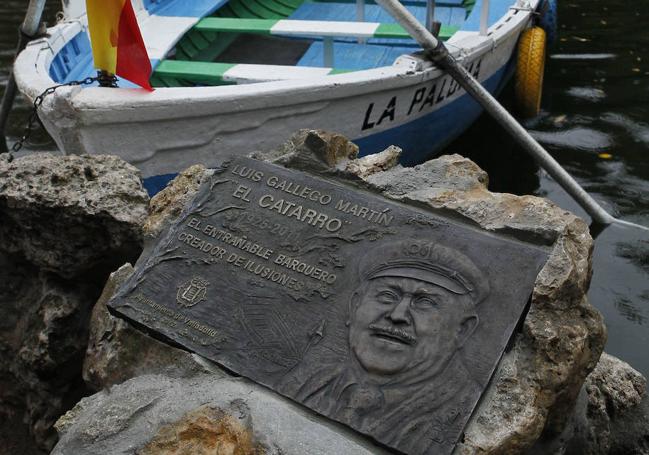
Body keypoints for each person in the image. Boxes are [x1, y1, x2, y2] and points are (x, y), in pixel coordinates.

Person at [280, 240, 490, 453]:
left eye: (425, 302)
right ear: (354, 306)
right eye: (387, 296)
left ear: (462, 330)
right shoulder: (308, 380)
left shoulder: (461, 412)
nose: (397, 315)